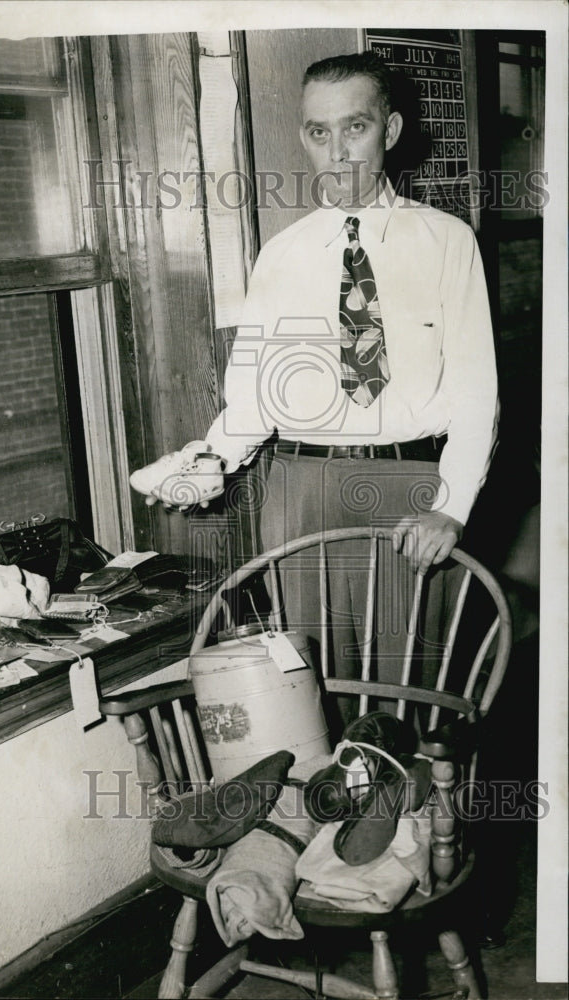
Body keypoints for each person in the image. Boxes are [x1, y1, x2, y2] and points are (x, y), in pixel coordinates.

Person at [131, 52, 498, 716]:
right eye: (317, 132)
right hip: (300, 488)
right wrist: (210, 461)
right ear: (304, 137)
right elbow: (252, 395)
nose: (337, 152)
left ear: (388, 131)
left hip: (409, 488)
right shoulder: (281, 256)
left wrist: (451, 505)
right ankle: (338, 807)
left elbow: (477, 391)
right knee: (312, 688)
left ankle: (405, 811)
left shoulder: (446, 242)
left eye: (352, 128)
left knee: (410, 692)